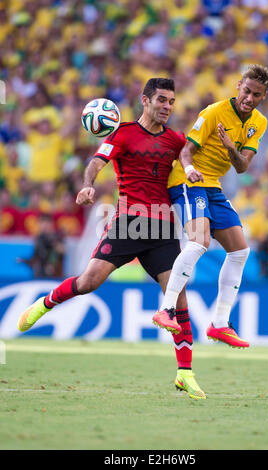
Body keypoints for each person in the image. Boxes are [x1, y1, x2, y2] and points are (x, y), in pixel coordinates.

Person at [17, 78, 206, 400]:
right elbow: (96, 161)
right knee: (89, 281)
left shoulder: (176, 140)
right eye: (162, 100)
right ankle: (45, 303)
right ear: (145, 100)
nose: (167, 107)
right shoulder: (124, 133)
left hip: (162, 230)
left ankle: (185, 374)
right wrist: (88, 184)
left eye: (172, 102)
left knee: (179, 299)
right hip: (128, 223)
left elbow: (189, 157)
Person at [153, 64, 268, 348]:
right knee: (199, 242)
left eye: (256, 94)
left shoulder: (260, 122)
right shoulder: (213, 112)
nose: (249, 98)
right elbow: (185, 151)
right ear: (238, 86)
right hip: (187, 179)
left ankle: (219, 323)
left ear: (263, 96)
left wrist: (231, 147)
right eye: (246, 90)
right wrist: (191, 168)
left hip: (213, 186)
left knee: (240, 250)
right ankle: (166, 309)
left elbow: (242, 166)